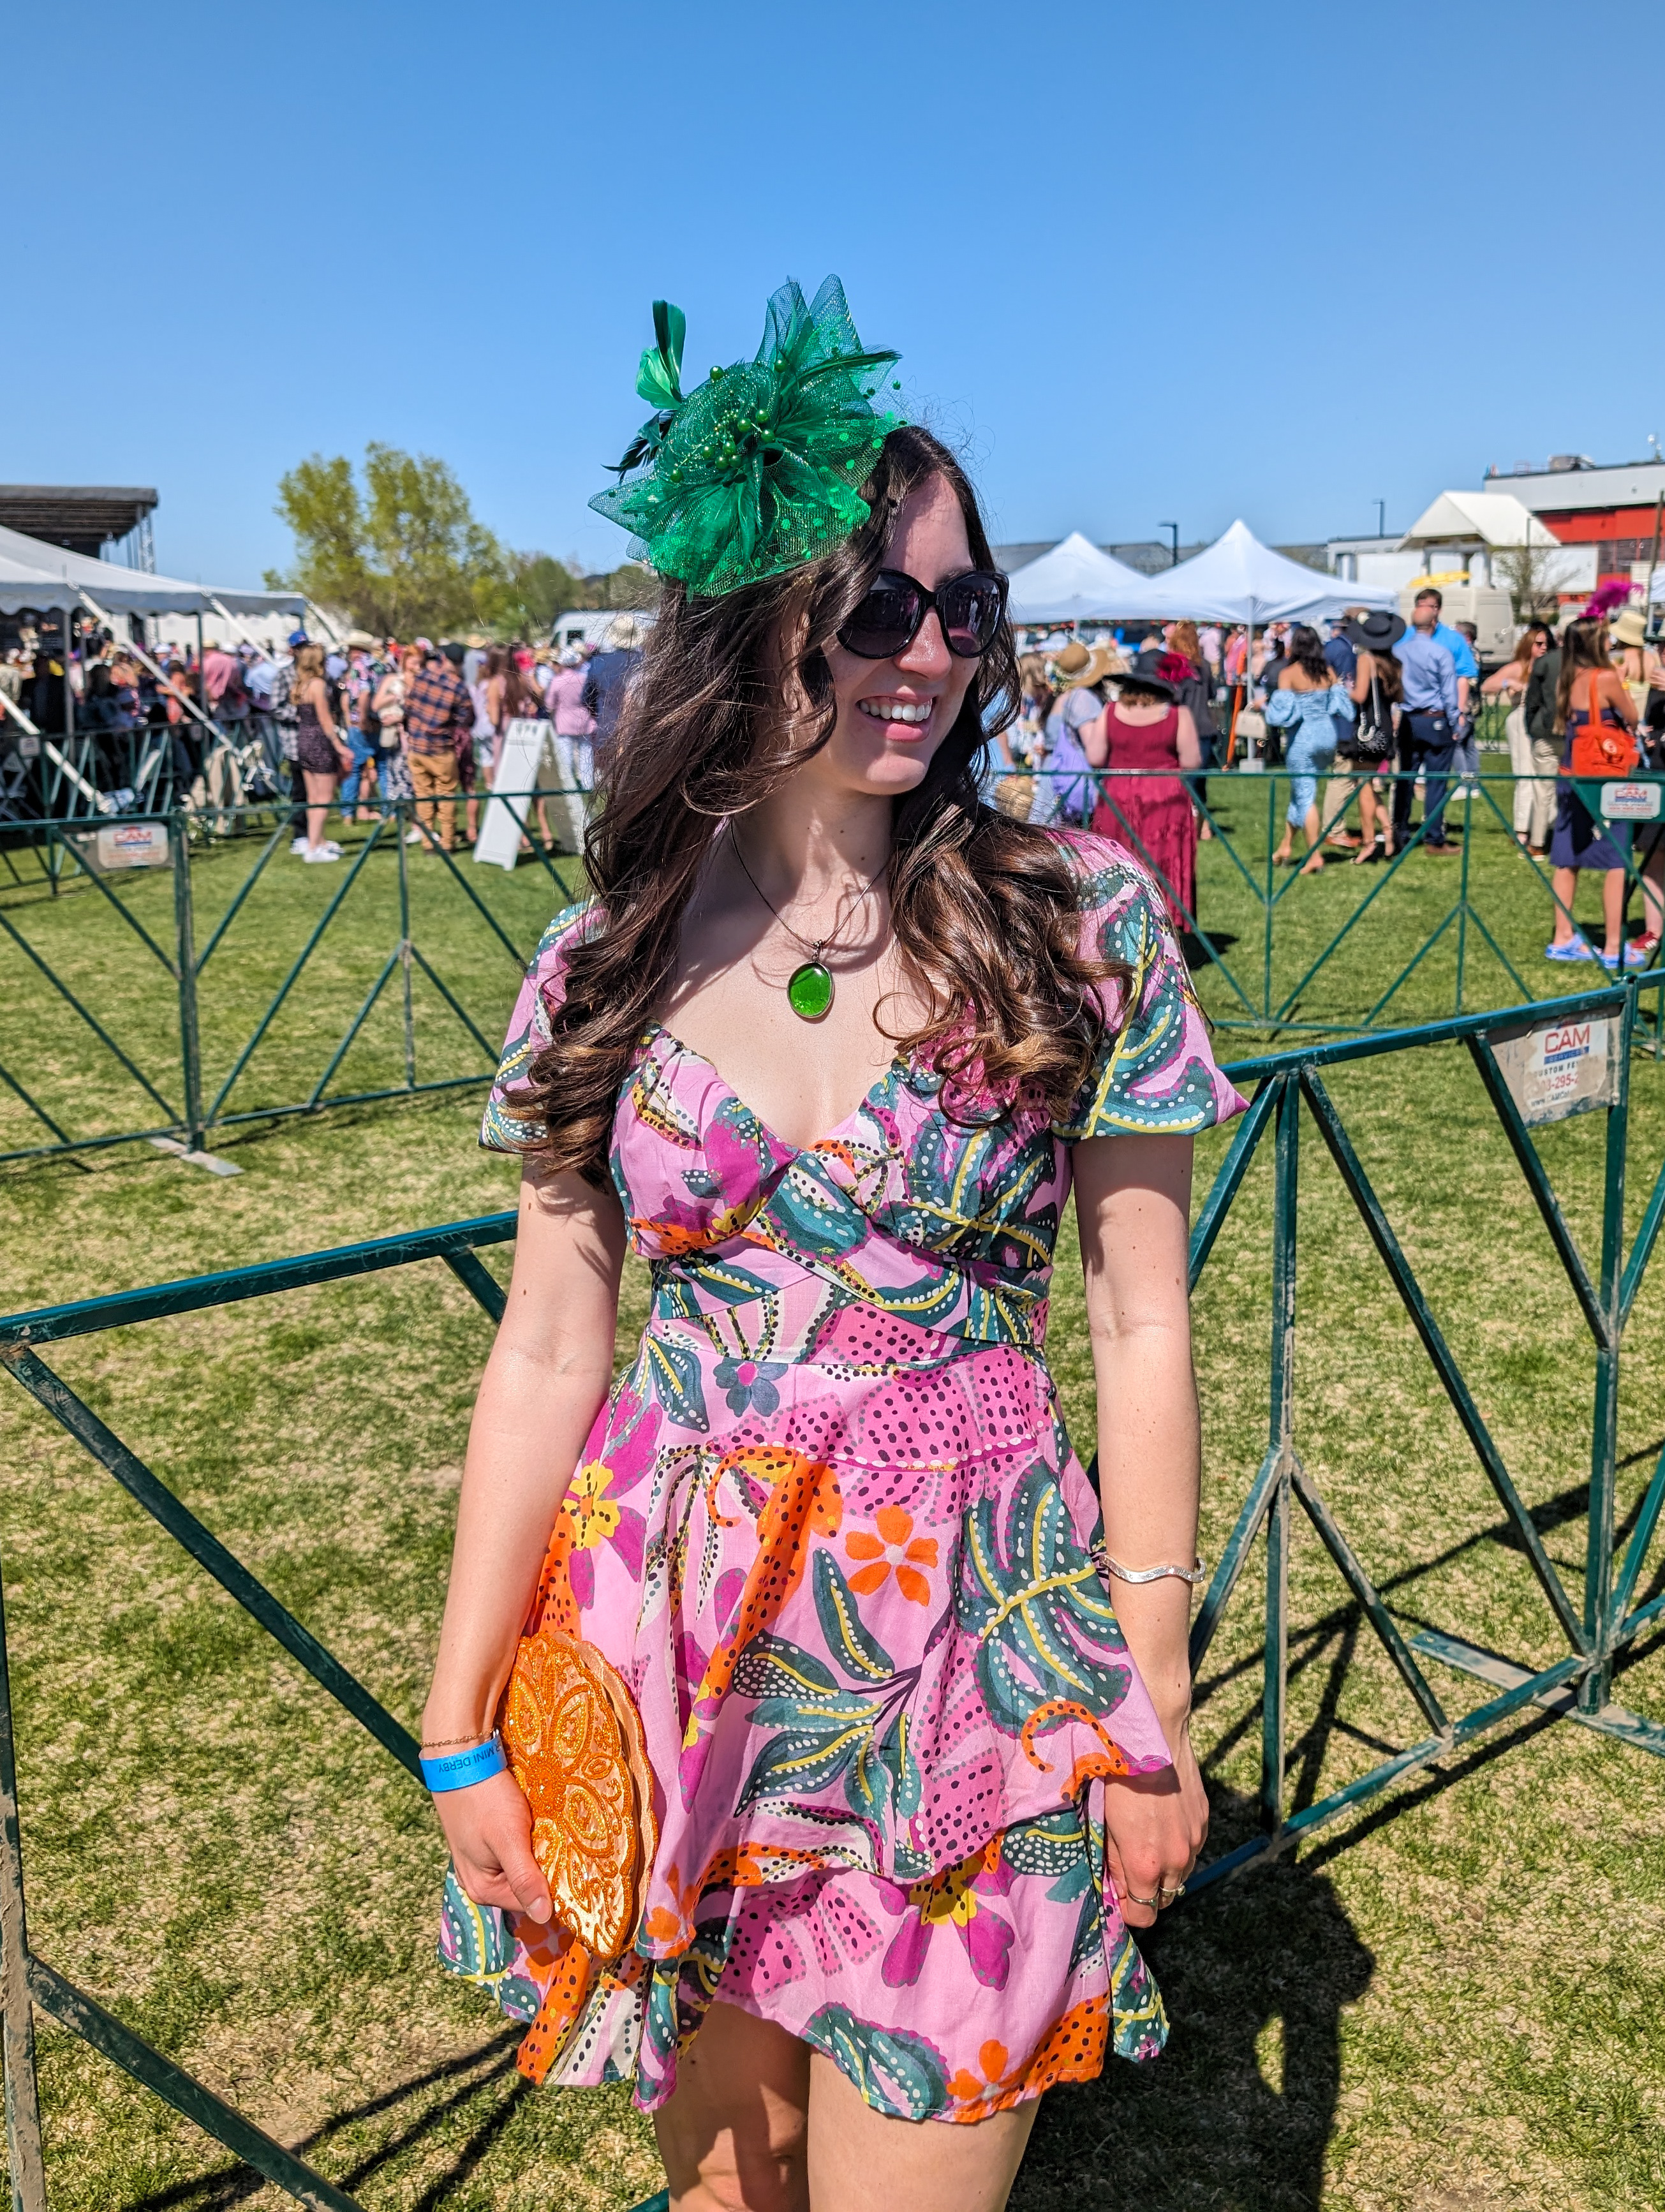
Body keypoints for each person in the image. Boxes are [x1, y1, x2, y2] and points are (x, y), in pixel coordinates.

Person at [422, 279, 1241, 2212]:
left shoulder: (1077, 918)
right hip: (674, 1642)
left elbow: (1139, 1320)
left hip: (977, 1643)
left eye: (968, 609)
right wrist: (461, 1721)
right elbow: (549, 1342)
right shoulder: (607, 949)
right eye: (884, 604)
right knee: (729, 2196)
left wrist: (1148, 1694)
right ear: (752, 625)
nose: (935, 652)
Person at [1543, 619, 1649, 969]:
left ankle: (1562, 938)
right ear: (1596, 643)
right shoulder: (1605, 678)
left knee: (1567, 855)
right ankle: (1614, 946)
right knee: (1618, 858)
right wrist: (1623, 684)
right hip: (1605, 778)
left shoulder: (1568, 678)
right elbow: (1632, 717)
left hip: (1572, 771)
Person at [1081, 662, 1202, 928]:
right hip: (1165, 798)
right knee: (1163, 862)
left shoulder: (1110, 711)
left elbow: (1095, 756)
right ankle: (1162, 922)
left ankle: (1120, 921)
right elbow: (1192, 760)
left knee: (1120, 861)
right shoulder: (1177, 715)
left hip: (1119, 796)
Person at [1264, 627, 1356, 872]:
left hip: (1303, 740)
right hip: (1328, 736)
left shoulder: (1289, 673)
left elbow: (1281, 715)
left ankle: (1315, 855)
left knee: (1306, 796)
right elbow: (1343, 704)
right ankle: (1286, 846)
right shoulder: (1327, 672)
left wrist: (1266, 705)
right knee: (1301, 792)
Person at [1391, 593, 1462, 853]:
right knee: (1436, 781)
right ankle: (1434, 838)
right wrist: (1456, 725)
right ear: (1434, 623)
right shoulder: (1441, 653)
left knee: (1405, 779)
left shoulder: (1398, 651)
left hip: (1409, 720)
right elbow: (1450, 694)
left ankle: (1399, 833)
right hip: (1435, 720)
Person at [1333, 611, 1405, 862]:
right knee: (1367, 783)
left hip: (1367, 729)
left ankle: (1369, 843)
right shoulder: (1394, 663)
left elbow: (1361, 696)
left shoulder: (1367, 660)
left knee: (1363, 785)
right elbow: (1399, 697)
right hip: (1384, 727)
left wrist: (1342, 690)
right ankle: (1388, 833)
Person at [1482, 625, 1555, 849]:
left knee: (1546, 774)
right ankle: (1522, 829)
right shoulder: (1519, 667)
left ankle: (1545, 826)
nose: (1543, 648)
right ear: (1529, 644)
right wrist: (1508, 683)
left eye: (1547, 643)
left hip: (1545, 719)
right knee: (1525, 772)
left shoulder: (1551, 665)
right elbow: (1487, 685)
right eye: (1539, 643)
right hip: (1522, 716)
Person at [404, 641, 473, 852]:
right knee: (446, 796)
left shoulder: (422, 677)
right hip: (441, 749)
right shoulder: (459, 688)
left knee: (423, 795)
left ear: (443, 659)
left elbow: (408, 708)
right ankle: (448, 841)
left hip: (416, 746)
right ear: (461, 663)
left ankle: (428, 843)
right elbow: (467, 719)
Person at [290, 641, 352, 861]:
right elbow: (326, 721)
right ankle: (314, 848)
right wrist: (340, 747)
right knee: (324, 798)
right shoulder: (317, 685)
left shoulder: (301, 685)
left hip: (303, 741)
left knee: (313, 797)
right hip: (319, 741)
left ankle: (318, 840)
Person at [581, 613, 644, 767]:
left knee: (610, 783)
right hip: (640, 732)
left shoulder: (598, 662)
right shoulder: (644, 661)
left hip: (607, 731)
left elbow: (586, 699)